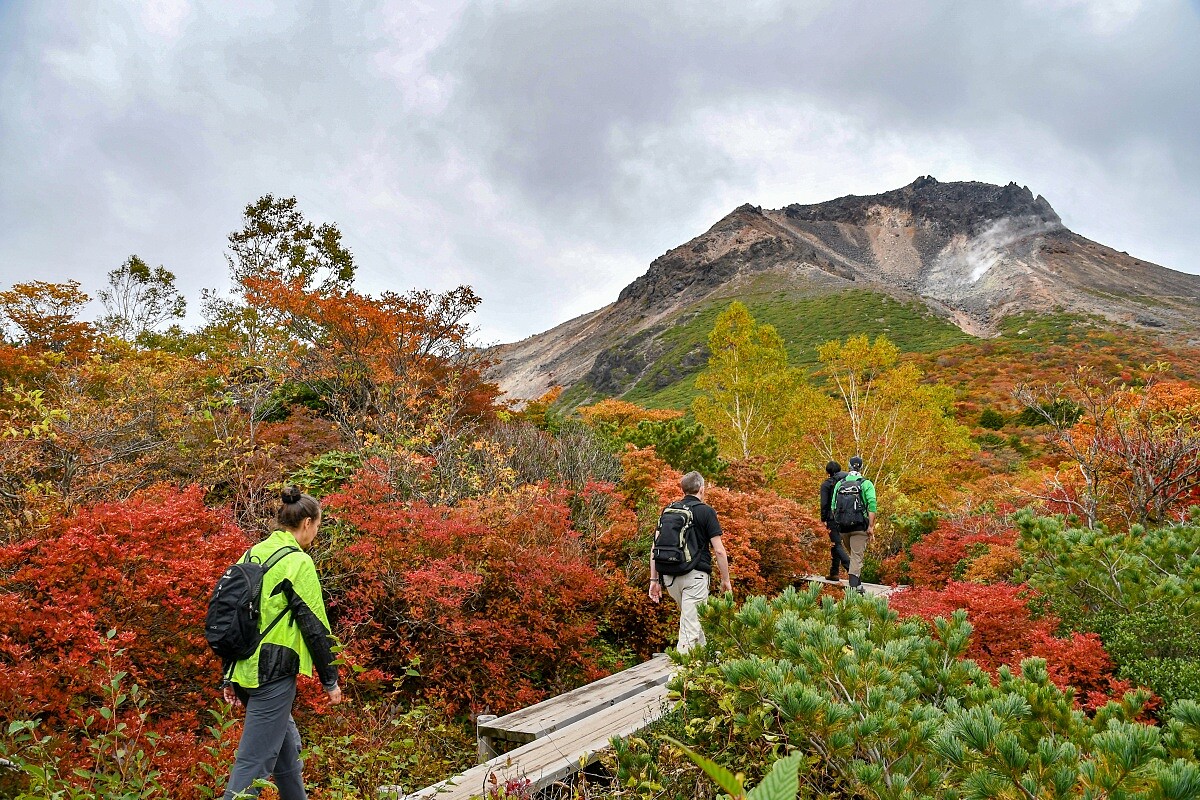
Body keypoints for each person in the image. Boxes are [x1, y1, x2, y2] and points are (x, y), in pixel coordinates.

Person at [222, 487, 343, 800]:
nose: (315, 534)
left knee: (285, 752)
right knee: (253, 764)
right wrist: (330, 681)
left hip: (243, 669)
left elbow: (233, 617)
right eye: (317, 527)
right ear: (306, 524)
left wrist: (227, 674)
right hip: (272, 674)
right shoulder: (298, 563)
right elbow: (315, 626)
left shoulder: (251, 554)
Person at [648, 471, 732, 652]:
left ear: (683, 489)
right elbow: (719, 550)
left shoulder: (669, 510)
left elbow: (654, 548)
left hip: (670, 577)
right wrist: (726, 580)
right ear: (701, 489)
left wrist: (654, 581)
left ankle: (704, 667)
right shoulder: (706, 511)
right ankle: (678, 677)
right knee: (690, 629)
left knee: (692, 621)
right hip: (695, 577)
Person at [830, 456, 877, 594]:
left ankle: (858, 585)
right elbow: (872, 505)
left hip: (843, 527)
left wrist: (839, 522)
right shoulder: (866, 483)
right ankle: (853, 590)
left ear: (849, 466)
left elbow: (833, 507)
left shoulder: (840, 484)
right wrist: (871, 526)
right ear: (861, 468)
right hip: (859, 526)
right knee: (857, 556)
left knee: (854, 556)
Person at [819, 460, 851, 582]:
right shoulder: (848, 480)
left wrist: (824, 519)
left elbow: (824, 504)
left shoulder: (827, 484)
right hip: (849, 517)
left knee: (836, 544)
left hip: (833, 518)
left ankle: (851, 570)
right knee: (835, 544)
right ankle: (834, 572)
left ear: (828, 472)